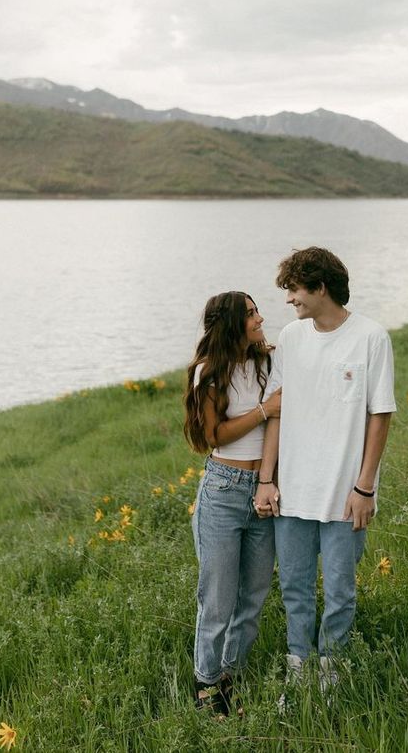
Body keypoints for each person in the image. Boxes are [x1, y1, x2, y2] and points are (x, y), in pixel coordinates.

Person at [254, 247, 395, 690]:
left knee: (340, 593)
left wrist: (365, 487)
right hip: (293, 491)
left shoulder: (371, 337)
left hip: (345, 494)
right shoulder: (292, 339)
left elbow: (380, 414)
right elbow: (277, 411)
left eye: (295, 289)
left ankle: (333, 674)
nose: (289, 299)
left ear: (320, 287)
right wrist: (267, 480)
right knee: (294, 589)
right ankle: (299, 668)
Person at [183, 290, 282, 715]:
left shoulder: (268, 361)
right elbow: (212, 436)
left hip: (264, 485)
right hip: (223, 490)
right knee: (218, 599)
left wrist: (268, 480)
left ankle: (230, 676)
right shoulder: (209, 371)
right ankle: (206, 684)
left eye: (258, 311)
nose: (260, 319)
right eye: (251, 314)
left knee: (254, 596)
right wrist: (264, 410)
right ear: (230, 325)